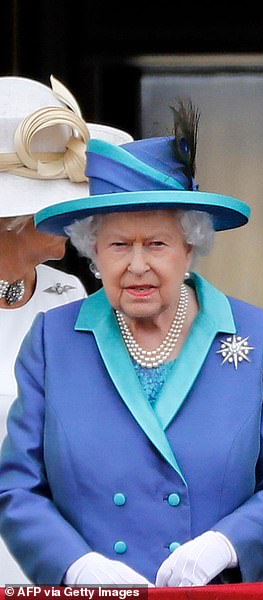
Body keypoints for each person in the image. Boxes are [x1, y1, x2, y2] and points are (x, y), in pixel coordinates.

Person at [0, 100, 263, 586]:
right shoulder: (53, 341)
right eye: (118, 245)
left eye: (156, 244)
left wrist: (227, 545)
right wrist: (76, 565)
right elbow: (16, 489)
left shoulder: (260, 339)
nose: (137, 266)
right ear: (91, 251)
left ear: (189, 246)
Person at [0, 74, 134, 584]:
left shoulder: (71, 295)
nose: (78, 220)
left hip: (55, 552)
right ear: (11, 216)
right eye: (59, 205)